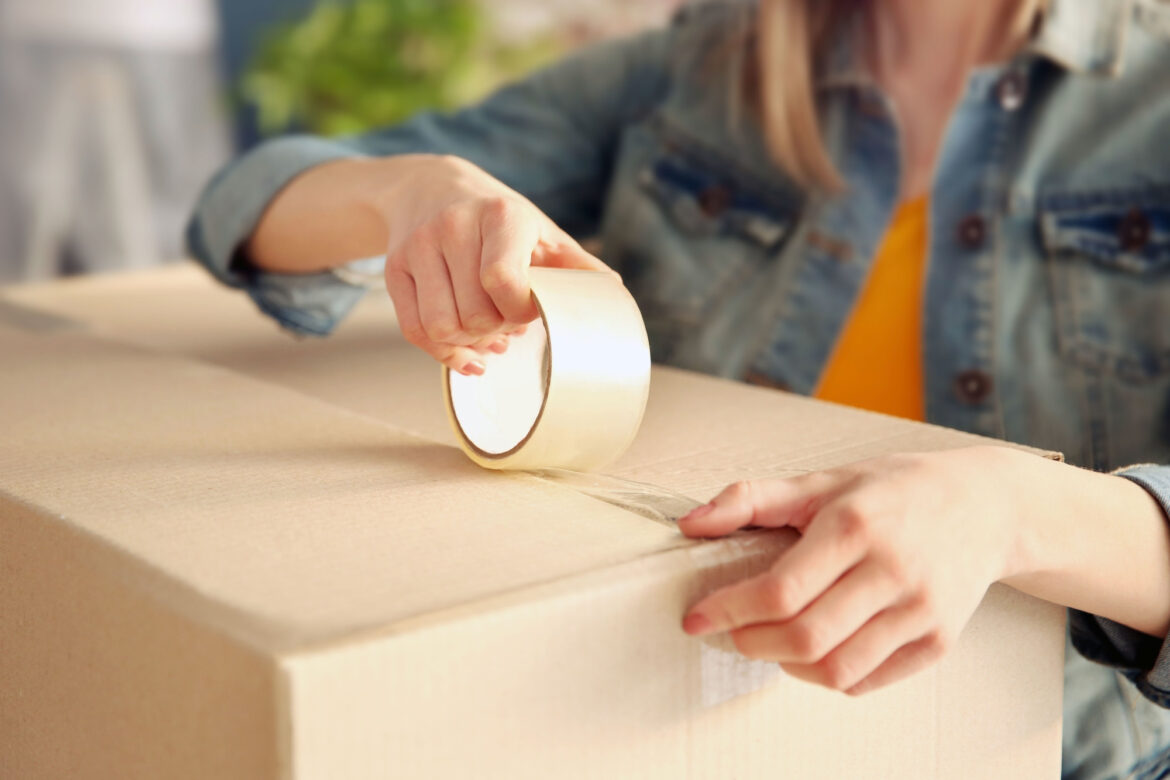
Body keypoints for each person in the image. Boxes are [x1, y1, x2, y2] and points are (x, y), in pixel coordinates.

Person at [187, 1, 1170, 776]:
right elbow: (245, 204)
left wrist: (1011, 508)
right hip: (661, 716)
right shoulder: (692, 73)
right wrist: (408, 193)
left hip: (1040, 751)